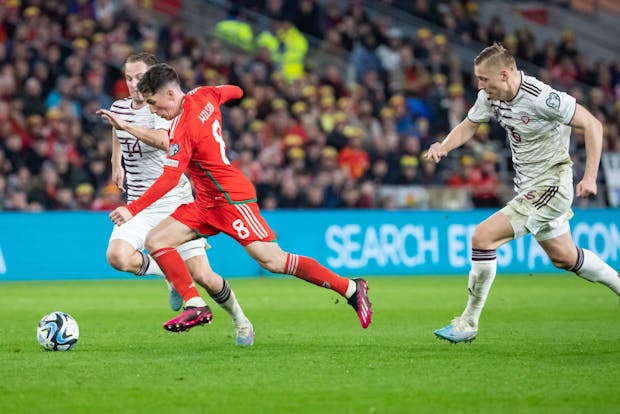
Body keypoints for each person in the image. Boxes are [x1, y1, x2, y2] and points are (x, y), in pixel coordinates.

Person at [109, 63, 372, 332]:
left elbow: (169, 179)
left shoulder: (182, 129)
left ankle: (351, 288)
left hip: (231, 198)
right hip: (206, 202)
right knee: (157, 240)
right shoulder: (203, 94)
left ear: (170, 95)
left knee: (273, 261)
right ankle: (195, 305)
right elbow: (234, 91)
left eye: (154, 103)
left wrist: (133, 209)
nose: (153, 111)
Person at [426, 43, 620, 343]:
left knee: (482, 237)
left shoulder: (542, 97)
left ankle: (467, 323)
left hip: (551, 186)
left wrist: (590, 176)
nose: (479, 85)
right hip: (529, 186)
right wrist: (443, 145)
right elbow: (469, 125)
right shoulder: (490, 97)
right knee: (565, 258)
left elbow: (592, 124)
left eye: (483, 79)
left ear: (504, 75)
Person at [98, 54, 254, 346]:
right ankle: (171, 276)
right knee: (117, 257)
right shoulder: (120, 107)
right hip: (140, 200)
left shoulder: (165, 111)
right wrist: (115, 161)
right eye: (128, 78)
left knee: (204, 276)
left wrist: (126, 126)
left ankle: (240, 319)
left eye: (139, 77)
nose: (133, 84)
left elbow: (163, 141)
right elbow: (116, 129)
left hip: (173, 200)